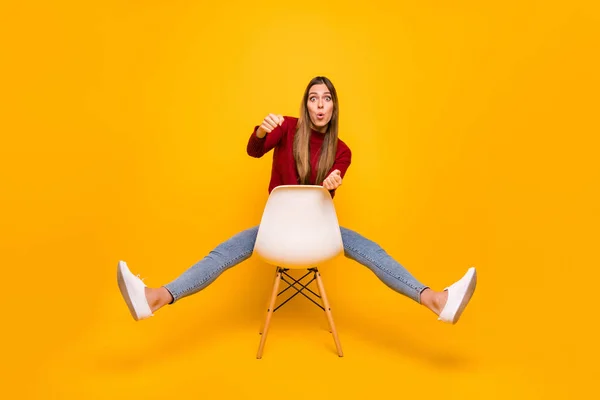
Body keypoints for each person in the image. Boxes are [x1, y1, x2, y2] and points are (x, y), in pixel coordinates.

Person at [117, 76, 477, 325]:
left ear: (334, 108)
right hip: (279, 235)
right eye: (313, 98)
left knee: (372, 252)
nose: (320, 105)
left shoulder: (342, 151)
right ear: (305, 105)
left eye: (327, 99)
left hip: (316, 236)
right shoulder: (286, 127)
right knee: (222, 254)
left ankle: (435, 301)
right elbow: (253, 150)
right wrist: (261, 130)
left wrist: (332, 182)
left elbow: (325, 192)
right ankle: (156, 298)